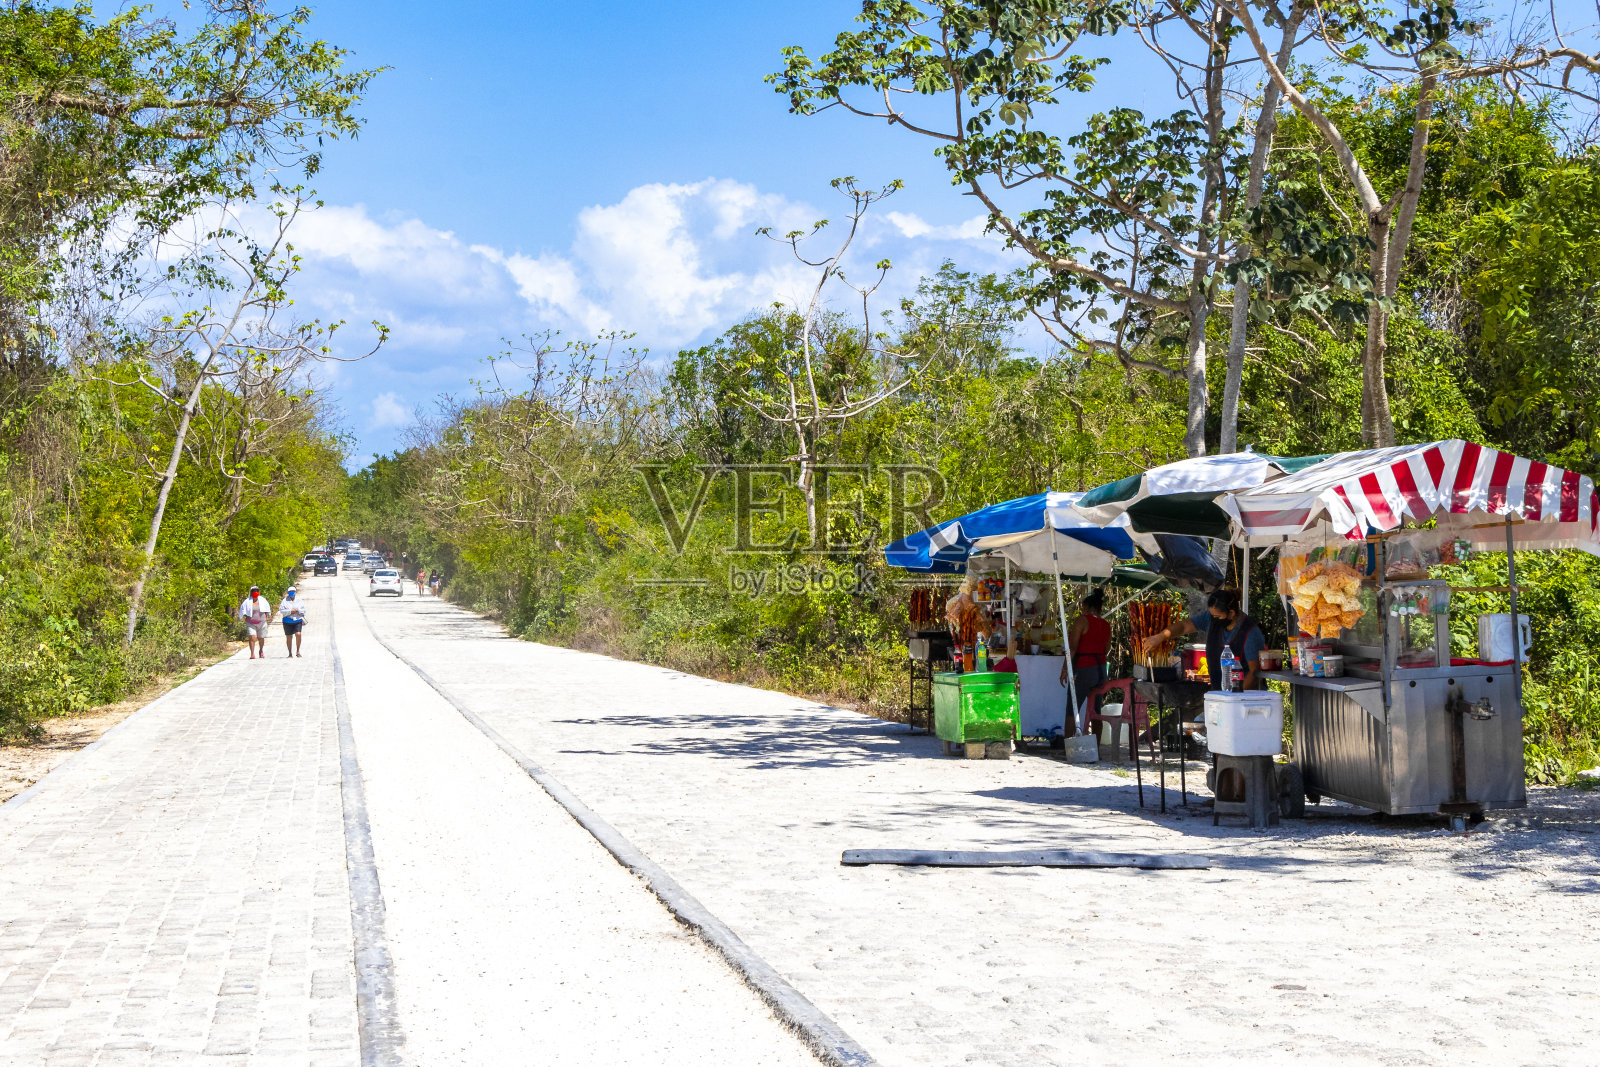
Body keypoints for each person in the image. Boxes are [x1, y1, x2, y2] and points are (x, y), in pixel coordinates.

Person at [1143, 587, 1265, 691]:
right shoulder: (1210, 618)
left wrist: (1234, 697)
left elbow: (1254, 672)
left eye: (1217, 616)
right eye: (1212, 615)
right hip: (1220, 693)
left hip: (1247, 697)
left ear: (1231, 613)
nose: (1214, 619)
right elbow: (1184, 626)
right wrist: (1160, 637)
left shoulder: (1250, 632)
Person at [1060, 589, 1111, 734]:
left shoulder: (1082, 620)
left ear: (1085, 606)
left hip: (1083, 668)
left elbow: (1073, 647)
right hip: (1100, 669)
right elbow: (1107, 649)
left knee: (1072, 709)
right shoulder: (1106, 624)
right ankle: (1096, 749)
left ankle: (1069, 748)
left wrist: (1065, 669)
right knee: (1096, 711)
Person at [238, 586, 274, 660]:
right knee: (252, 637)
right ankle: (252, 654)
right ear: (251, 592)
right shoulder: (247, 601)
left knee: (261, 638)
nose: (255, 592)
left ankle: (261, 650)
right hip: (251, 623)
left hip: (261, 622)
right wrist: (245, 616)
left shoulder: (263, 600)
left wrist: (267, 617)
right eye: (254, 591)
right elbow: (243, 610)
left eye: (257, 591)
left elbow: (267, 609)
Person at [280, 587, 306, 658]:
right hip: (287, 620)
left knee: (298, 634)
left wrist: (297, 610)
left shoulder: (299, 600)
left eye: (293, 591)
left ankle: (298, 651)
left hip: (297, 620)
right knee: (289, 637)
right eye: (290, 591)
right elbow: (281, 610)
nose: (292, 592)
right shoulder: (284, 601)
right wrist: (290, 611)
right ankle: (290, 653)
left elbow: (303, 609)